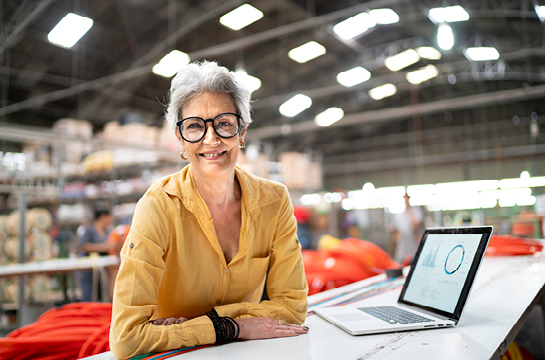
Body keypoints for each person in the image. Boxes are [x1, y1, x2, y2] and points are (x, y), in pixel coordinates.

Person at [109, 61, 309, 359]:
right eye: (194, 126)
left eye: (224, 123)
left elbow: (293, 307)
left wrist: (204, 323)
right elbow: (126, 338)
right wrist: (230, 326)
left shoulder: (274, 200)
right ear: (180, 139)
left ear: (242, 131)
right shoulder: (159, 207)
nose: (211, 139)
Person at [77, 209, 116, 302]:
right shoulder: (89, 230)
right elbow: (83, 246)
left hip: (103, 271)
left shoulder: (107, 231)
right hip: (89, 270)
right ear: (103, 216)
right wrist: (104, 247)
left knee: (102, 296)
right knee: (89, 296)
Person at [393, 194, 424, 264]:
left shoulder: (416, 211)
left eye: (407, 199)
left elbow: (415, 226)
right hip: (403, 247)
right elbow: (397, 231)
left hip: (414, 246)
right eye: (404, 199)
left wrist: (409, 210)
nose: (405, 201)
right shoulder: (399, 214)